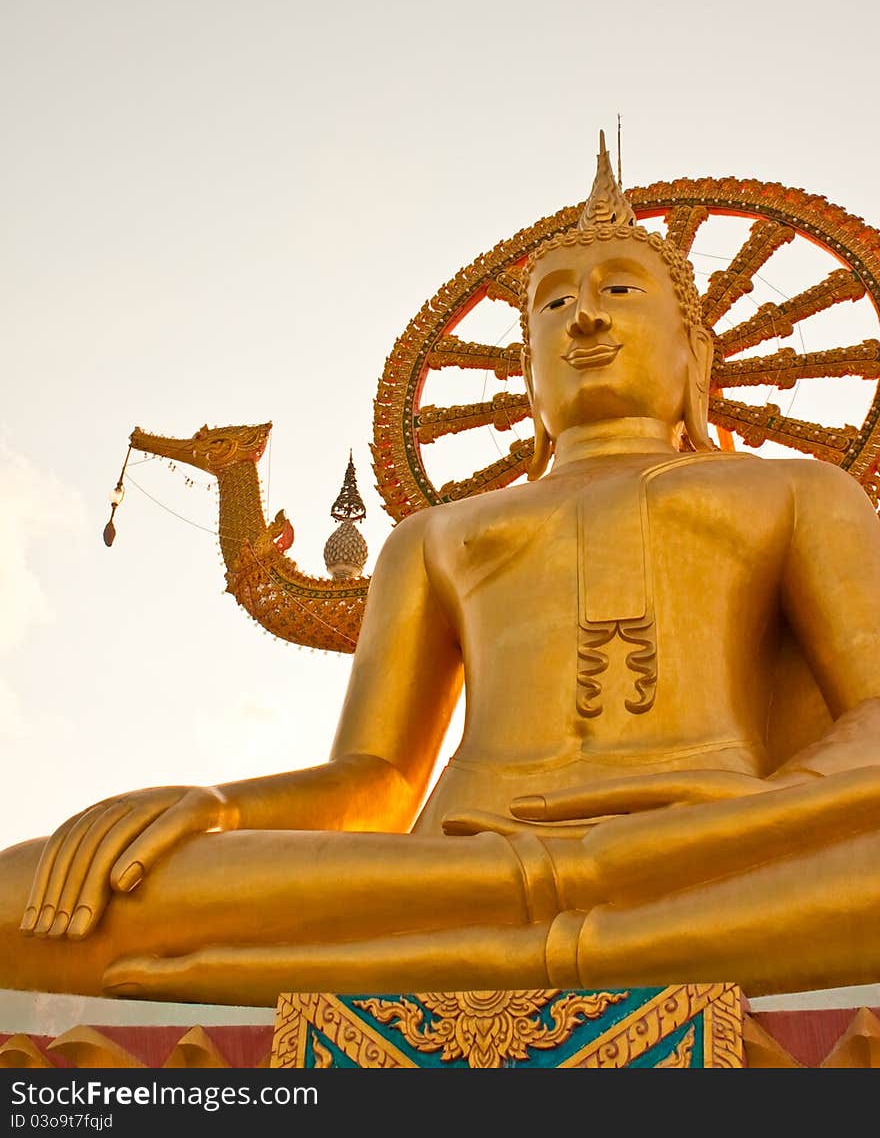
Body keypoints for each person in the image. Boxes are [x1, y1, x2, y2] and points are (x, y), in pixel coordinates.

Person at [2, 135, 879, 1005]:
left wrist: (757, 821)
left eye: (620, 289)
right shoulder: (436, 534)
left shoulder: (801, 493)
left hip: (715, 850)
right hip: (463, 863)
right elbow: (377, 781)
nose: (585, 318)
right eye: (550, 305)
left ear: (695, 348)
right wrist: (218, 808)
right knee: (30, 893)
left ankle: (505, 952)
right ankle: (606, 944)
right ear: (526, 371)